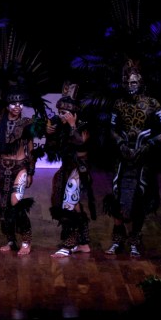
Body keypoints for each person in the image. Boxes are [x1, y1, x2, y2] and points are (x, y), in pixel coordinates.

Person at [103, 60, 161, 257]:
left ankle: (134, 239)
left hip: (143, 159)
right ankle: (118, 240)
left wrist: (149, 144)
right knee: (117, 195)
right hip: (123, 157)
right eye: (126, 83)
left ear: (140, 82)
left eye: (133, 83)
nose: (130, 86)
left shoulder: (152, 104)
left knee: (139, 197)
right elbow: (111, 129)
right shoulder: (119, 104)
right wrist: (120, 143)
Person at [0, 90, 42, 255]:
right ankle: (10, 240)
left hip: (19, 167)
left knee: (15, 202)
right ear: (7, 106)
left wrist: (31, 172)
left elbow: (30, 150)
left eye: (20, 104)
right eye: (13, 104)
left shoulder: (26, 124)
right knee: (4, 205)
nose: (18, 106)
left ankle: (26, 241)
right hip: (1, 167)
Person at [44, 83, 95, 258]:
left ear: (73, 113)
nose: (61, 116)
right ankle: (84, 243)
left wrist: (73, 126)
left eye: (64, 113)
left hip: (79, 169)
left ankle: (69, 243)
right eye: (59, 112)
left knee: (69, 204)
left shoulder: (84, 125)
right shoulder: (60, 126)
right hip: (66, 168)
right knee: (67, 202)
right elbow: (52, 150)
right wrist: (50, 133)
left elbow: (81, 143)